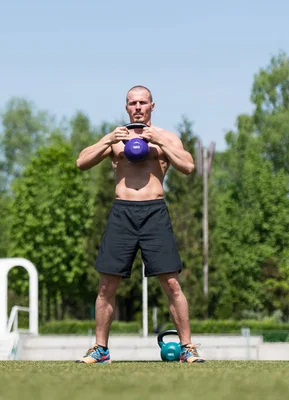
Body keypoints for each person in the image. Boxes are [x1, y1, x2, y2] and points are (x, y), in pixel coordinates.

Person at [74, 85, 205, 364]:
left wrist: (159, 140)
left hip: (154, 213)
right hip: (122, 213)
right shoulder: (116, 139)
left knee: (171, 283)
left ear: (152, 106)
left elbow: (188, 166)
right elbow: (81, 162)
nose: (137, 107)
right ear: (126, 107)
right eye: (132, 103)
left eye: (142, 103)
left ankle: (187, 348)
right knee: (106, 286)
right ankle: (101, 349)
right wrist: (108, 139)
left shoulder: (166, 138)